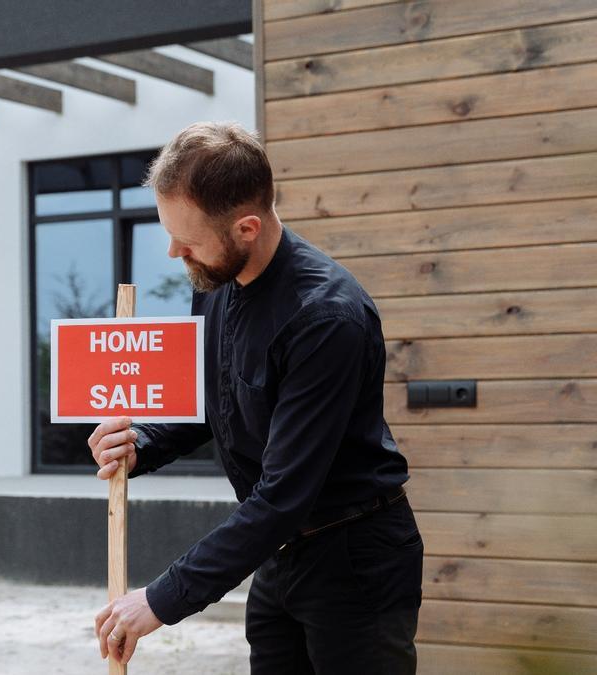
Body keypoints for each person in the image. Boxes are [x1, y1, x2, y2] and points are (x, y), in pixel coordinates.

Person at [88, 122, 422, 674]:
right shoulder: (217, 284)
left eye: (187, 240)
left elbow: (283, 496)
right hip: (278, 555)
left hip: (355, 563)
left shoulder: (326, 319)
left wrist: (161, 599)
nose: (174, 252)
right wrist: (139, 445)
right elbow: (211, 403)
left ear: (246, 227)